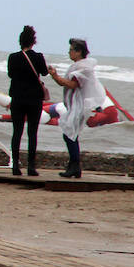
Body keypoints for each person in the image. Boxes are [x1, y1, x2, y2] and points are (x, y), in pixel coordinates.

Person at [47, 37, 105, 178]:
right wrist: (55, 76)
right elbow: (66, 83)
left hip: (78, 105)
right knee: (70, 135)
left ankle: (74, 166)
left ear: (79, 52)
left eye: (71, 50)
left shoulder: (83, 67)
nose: (69, 53)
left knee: (69, 134)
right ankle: (74, 166)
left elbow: (73, 84)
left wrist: (55, 76)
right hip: (74, 104)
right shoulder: (80, 65)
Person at [6, 25, 49, 176]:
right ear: (33, 42)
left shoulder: (13, 57)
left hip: (17, 98)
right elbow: (44, 73)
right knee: (32, 133)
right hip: (34, 99)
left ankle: (15, 167)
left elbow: (11, 74)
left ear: (20, 42)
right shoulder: (38, 57)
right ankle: (31, 167)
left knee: (16, 132)